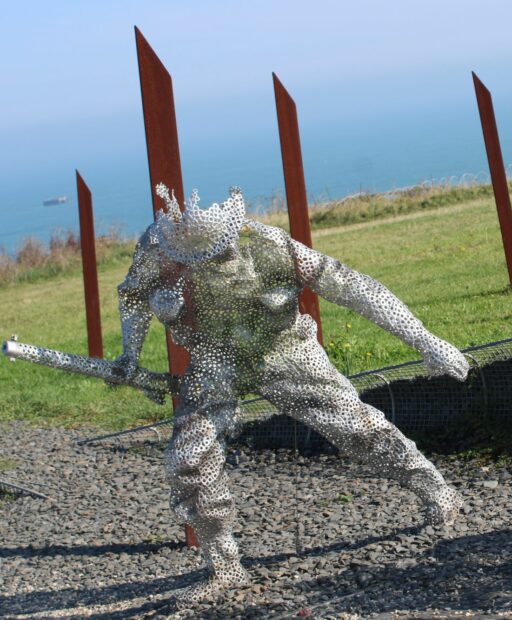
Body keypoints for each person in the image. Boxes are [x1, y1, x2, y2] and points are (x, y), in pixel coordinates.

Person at [115, 184, 469, 605]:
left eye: (214, 256)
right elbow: (132, 295)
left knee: (357, 427)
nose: (205, 265)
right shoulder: (158, 250)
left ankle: (435, 490)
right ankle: (224, 566)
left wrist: (426, 341)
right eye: (194, 261)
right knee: (188, 460)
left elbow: (354, 287)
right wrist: (129, 352)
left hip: (284, 350)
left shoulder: (271, 247)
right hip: (214, 361)